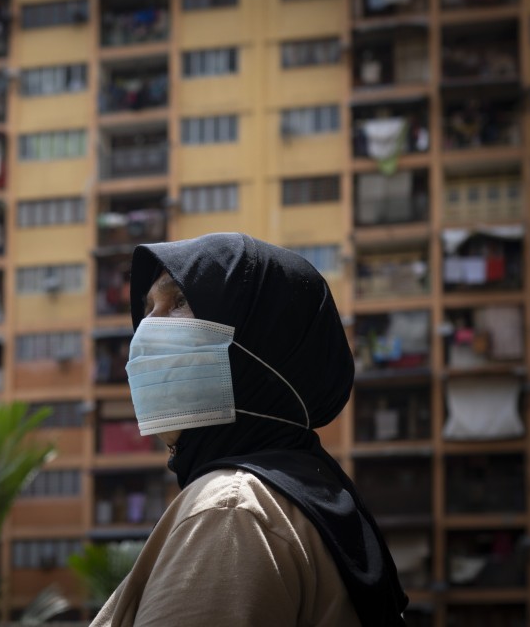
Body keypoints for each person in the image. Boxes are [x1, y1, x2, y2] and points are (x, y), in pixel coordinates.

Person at [90, 233, 408, 627]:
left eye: (179, 301)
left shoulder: (231, 510)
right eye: (148, 308)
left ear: (265, 339)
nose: (145, 332)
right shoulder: (307, 491)